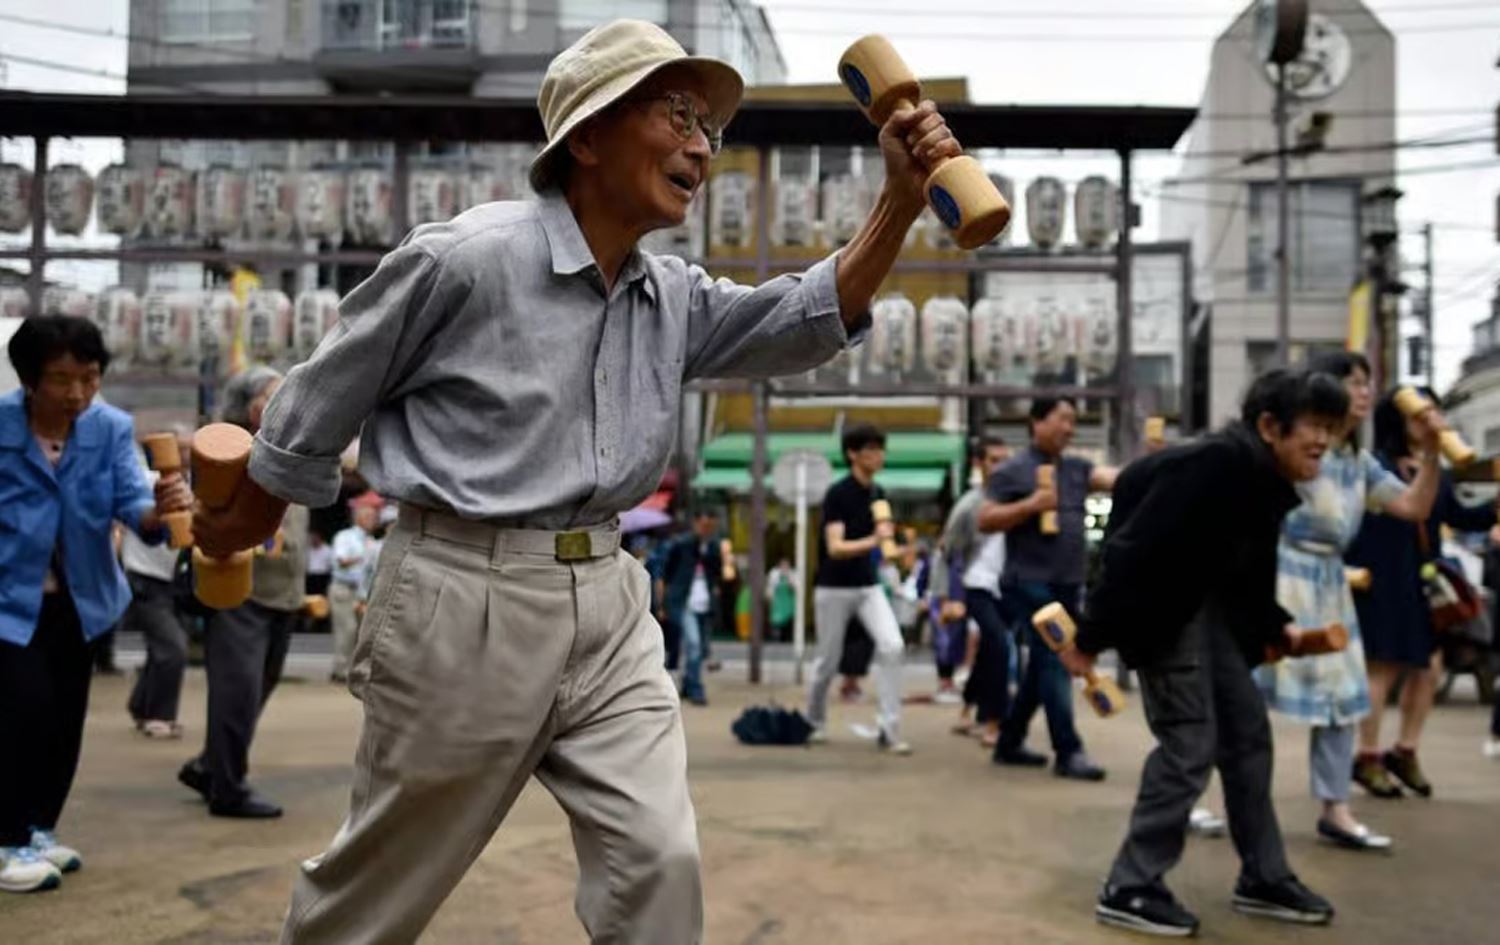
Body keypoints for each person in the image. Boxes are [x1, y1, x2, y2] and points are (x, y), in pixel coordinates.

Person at [189, 19, 955, 942]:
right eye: (676, 114)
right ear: (587, 136)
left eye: (709, 128)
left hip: (609, 600)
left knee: (661, 864)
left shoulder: (665, 292)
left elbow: (798, 317)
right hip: (461, 598)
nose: (700, 146)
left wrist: (900, 203)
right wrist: (236, 525)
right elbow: (313, 405)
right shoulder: (462, 258)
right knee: (376, 897)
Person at [1068, 369, 1348, 937]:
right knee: (1189, 743)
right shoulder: (1216, 464)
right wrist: (1089, 636)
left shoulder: (1263, 477)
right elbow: (1136, 549)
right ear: (1270, 426)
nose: (1323, 440)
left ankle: (1263, 876)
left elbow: (1241, 573)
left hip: (1206, 611)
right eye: (1314, 426)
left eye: (1331, 428)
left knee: (1246, 733)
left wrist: (1272, 629)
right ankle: (1131, 884)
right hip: (1166, 611)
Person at [1, 315, 191, 894]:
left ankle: (38, 831)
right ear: (30, 381)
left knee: (63, 721)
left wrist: (161, 508)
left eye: (89, 377)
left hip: (82, 602)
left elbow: (134, 506)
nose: (78, 392)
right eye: (61, 379)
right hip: (10, 601)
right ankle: (7, 841)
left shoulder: (110, 429)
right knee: (20, 714)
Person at [1256, 352, 1440, 852]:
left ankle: (1335, 808)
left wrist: (1434, 451)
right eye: (1351, 382)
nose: (1362, 392)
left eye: (1366, 383)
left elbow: (1414, 506)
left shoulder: (1360, 465)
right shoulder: (1291, 445)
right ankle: (1196, 797)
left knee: (1342, 700)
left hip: (1331, 586)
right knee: (1241, 694)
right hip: (1278, 576)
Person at [1345, 387, 1498, 797]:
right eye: (1420, 414)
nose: (1430, 421)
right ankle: (1368, 755)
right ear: (1397, 420)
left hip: (1420, 581)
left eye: (1435, 412)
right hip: (1379, 578)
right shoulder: (1373, 467)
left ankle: (1405, 750)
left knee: (1429, 669)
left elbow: (1460, 516)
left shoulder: (1435, 470)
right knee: (1382, 668)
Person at [177, 366, 310, 820]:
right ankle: (227, 789)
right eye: (274, 395)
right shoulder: (225, 453)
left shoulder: (289, 448)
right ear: (252, 404)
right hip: (240, 590)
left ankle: (208, 766)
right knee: (237, 693)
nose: (286, 403)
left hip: (283, 591)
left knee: (258, 689)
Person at [978, 397, 1115, 781]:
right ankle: (1069, 751)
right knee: (1058, 655)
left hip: (1069, 583)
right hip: (1028, 583)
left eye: (1073, 421)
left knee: (1043, 664)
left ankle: (1010, 741)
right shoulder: (1012, 470)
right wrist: (1032, 505)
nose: (1069, 428)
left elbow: (1117, 479)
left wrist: (1158, 464)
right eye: (1062, 419)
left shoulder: (1076, 468)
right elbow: (985, 520)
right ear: (1036, 422)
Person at [805, 423, 912, 754]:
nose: (878, 456)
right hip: (833, 586)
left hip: (868, 585)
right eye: (870, 450)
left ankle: (889, 730)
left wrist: (897, 554)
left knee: (893, 646)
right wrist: (875, 541)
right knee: (828, 660)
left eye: (881, 450)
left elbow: (884, 543)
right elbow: (835, 547)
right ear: (852, 454)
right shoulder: (838, 493)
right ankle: (815, 722)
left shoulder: (878, 493)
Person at [931, 435, 1012, 746]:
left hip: (1008, 587)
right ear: (980, 464)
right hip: (976, 585)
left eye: (1006, 459)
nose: (1002, 466)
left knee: (991, 651)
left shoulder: (1018, 496)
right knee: (1000, 646)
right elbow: (945, 552)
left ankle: (968, 708)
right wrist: (945, 600)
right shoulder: (968, 505)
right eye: (994, 460)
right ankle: (993, 723)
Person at [124, 429, 194, 739]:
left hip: (172, 580)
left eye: (189, 451)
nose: (185, 457)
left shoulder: (191, 487)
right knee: (173, 648)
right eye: (179, 450)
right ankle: (159, 716)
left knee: (162, 648)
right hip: (144, 577)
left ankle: (140, 704)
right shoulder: (144, 483)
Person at [655, 509, 724, 705]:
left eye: (710, 525)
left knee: (700, 648)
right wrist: (662, 603)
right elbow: (664, 574)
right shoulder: (681, 545)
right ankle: (695, 688)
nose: (706, 529)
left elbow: (717, 574)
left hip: (704, 602)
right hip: (684, 602)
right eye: (703, 524)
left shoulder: (713, 548)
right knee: (693, 645)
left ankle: (687, 683)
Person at [328, 496, 381, 683]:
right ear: (358, 517)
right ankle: (340, 671)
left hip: (362, 592)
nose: (373, 521)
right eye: (369, 517)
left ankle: (356, 672)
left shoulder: (372, 541)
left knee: (362, 632)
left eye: (374, 517)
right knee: (346, 630)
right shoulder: (345, 537)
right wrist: (364, 556)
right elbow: (341, 561)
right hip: (343, 588)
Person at [767, 557, 797, 643]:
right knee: (776, 624)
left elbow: (794, 589)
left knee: (788, 626)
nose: (784, 567)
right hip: (777, 605)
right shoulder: (774, 574)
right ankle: (776, 640)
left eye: (786, 565)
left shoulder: (792, 574)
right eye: (782, 565)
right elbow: (771, 589)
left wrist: (788, 579)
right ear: (779, 566)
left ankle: (788, 640)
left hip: (788, 606)